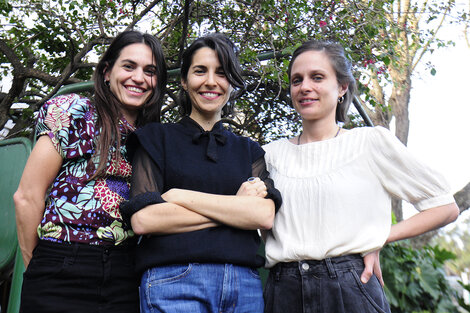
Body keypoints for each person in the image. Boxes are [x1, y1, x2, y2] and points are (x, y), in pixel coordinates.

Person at [261, 40, 460, 313]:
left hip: (351, 287)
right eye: (297, 80)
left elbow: (444, 206)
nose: (304, 87)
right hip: (283, 292)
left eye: (317, 77)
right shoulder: (269, 155)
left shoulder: (369, 143)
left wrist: (379, 238)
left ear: (342, 87)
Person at [120, 33, 282, 313]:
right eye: (200, 71)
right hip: (173, 282)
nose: (210, 81)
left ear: (231, 82)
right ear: (184, 80)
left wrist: (178, 196)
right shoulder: (156, 138)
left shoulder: (248, 150)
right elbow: (145, 220)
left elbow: (262, 215)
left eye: (221, 73)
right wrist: (235, 207)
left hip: (244, 286)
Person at [13, 30, 167, 313]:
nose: (139, 78)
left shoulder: (156, 139)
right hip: (61, 261)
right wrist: (35, 263)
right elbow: (27, 195)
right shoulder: (73, 110)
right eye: (129, 66)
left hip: (126, 272)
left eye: (150, 71)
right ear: (107, 72)